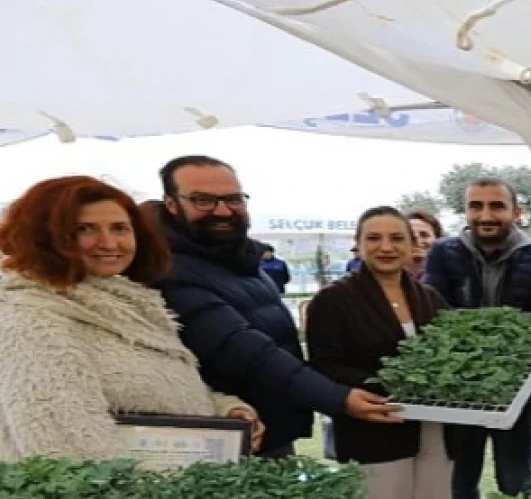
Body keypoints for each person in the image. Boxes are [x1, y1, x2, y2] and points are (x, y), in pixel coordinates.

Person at [0, 176, 262, 461]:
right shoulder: (32, 318)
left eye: (120, 228)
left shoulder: (127, 302)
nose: (109, 242)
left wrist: (223, 413)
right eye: (84, 229)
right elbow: (63, 450)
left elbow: (156, 393)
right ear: (42, 237)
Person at [153, 155, 398, 458]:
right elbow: (245, 349)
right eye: (203, 200)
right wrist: (335, 397)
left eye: (233, 199)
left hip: (272, 428)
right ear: (172, 203)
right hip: (230, 436)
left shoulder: (238, 258)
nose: (223, 211)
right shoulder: (172, 270)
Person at [307, 207, 455, 499]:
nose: (386, 247)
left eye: (397, 238)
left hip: (433, 431)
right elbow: (325, 366)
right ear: (357, 244)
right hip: (374, 429)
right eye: (374, 238)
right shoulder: (333, 301)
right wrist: (386, 384)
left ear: (412, 244)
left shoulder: (431, 298)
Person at [424, 177, 531, 499]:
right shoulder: (443, 252)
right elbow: (435, 315)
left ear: (517, 212)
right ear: (465, 211)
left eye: (496, 206)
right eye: (476, 206)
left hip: (523, 391)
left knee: (515, 480)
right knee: (459, 479)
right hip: (457, 391)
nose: (486, 215)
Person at [404, 209, 443, 282]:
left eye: (424, 235)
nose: (417, 240)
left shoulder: (451, 277)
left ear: (438, 239)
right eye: (410, 235)